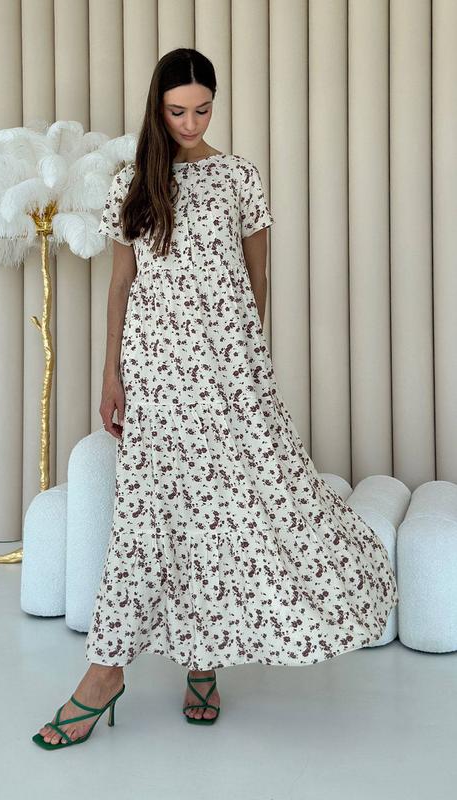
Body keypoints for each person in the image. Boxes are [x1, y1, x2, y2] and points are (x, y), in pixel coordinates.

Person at [33, 48, 399, 749]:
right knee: (147, 516)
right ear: (157, 108)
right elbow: (120, 286)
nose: (191, 122)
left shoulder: (239, 177)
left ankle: (203, 662)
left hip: (229, 373)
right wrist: (111, 376)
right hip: (154, 373)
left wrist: (245, 365)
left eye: (203, 109)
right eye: (178, 111)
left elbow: (255, 282)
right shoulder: (132, 184)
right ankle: (104, 672)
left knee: (230, 509)